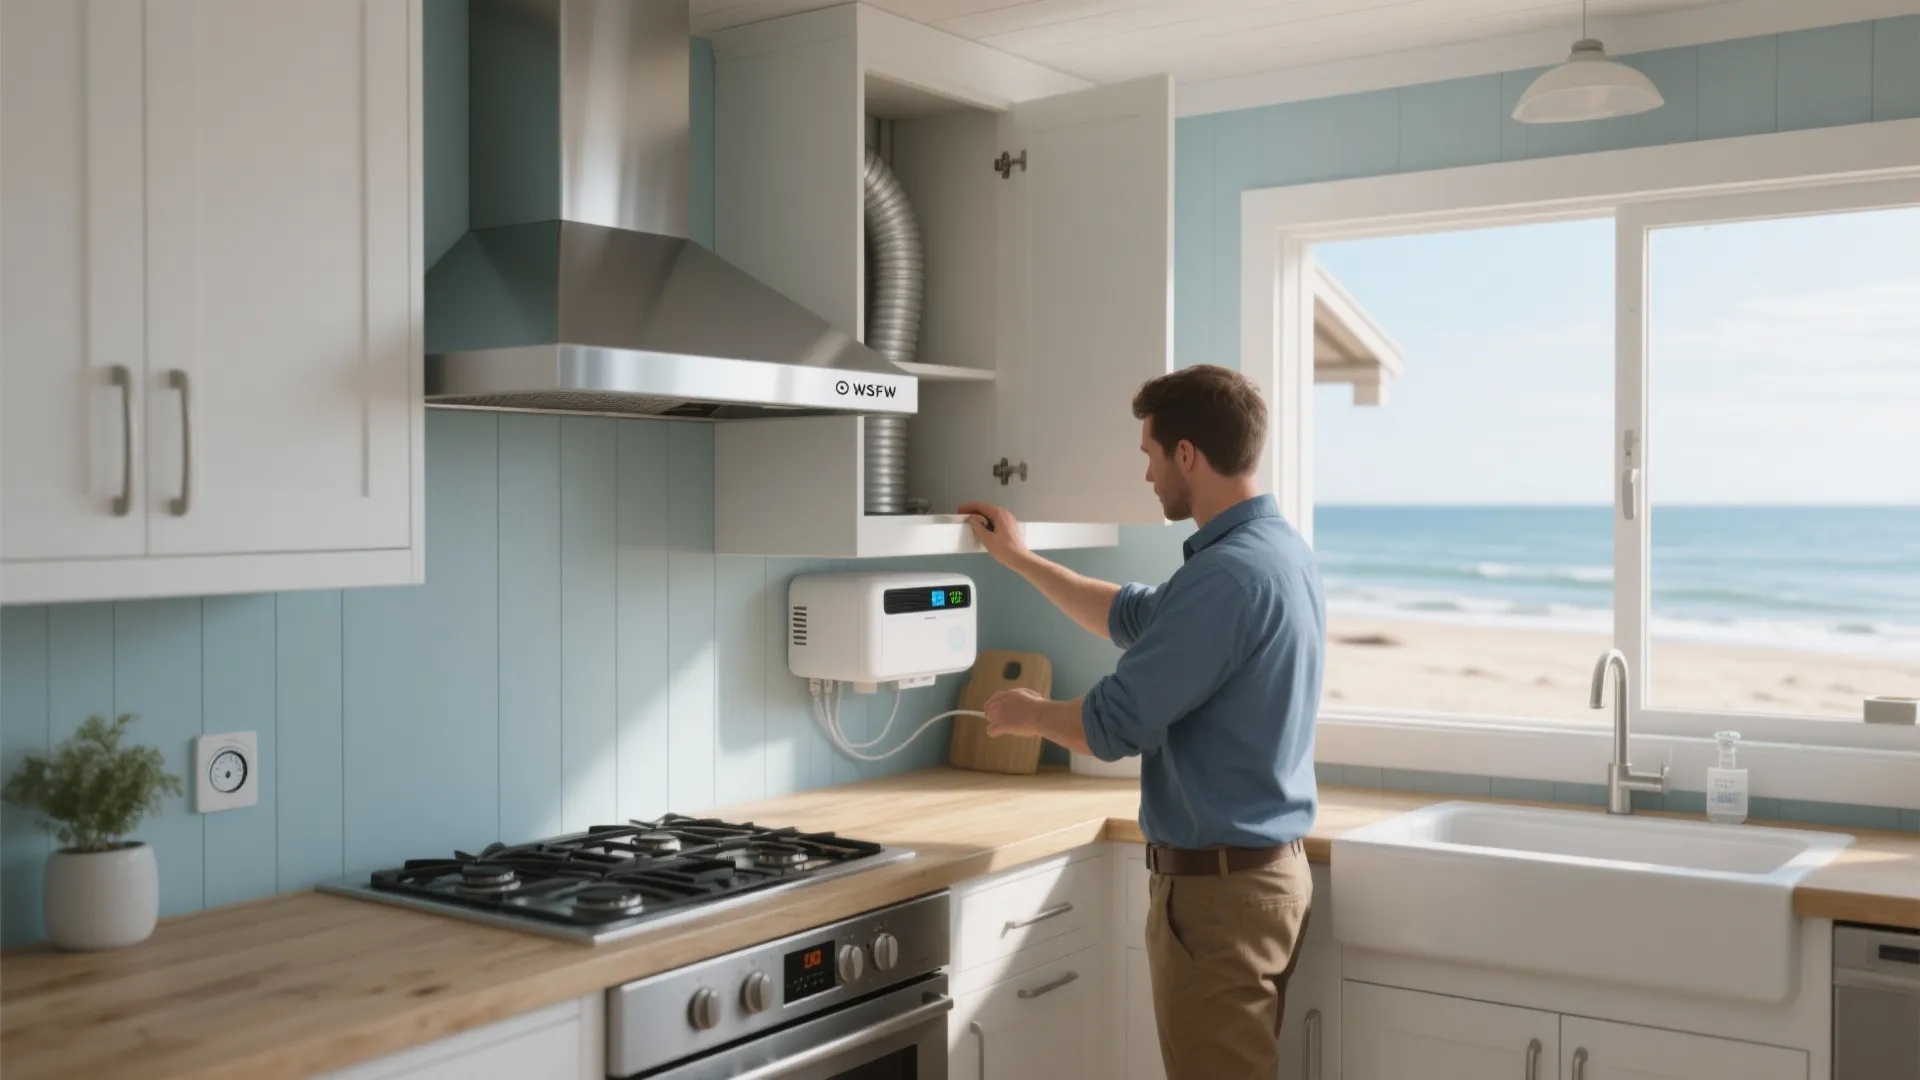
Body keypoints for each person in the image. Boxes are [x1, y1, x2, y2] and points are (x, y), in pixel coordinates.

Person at [959, 363, 1326, 1080]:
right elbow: (1133, 614)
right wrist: (1022, 561)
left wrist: (1029, 712)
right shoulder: (1274, 552)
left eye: (1150, 455)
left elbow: (1114, 723)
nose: (1148, 475)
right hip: (1261, 881)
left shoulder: (1226, 576)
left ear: (1186, 453)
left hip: (1221, 900)